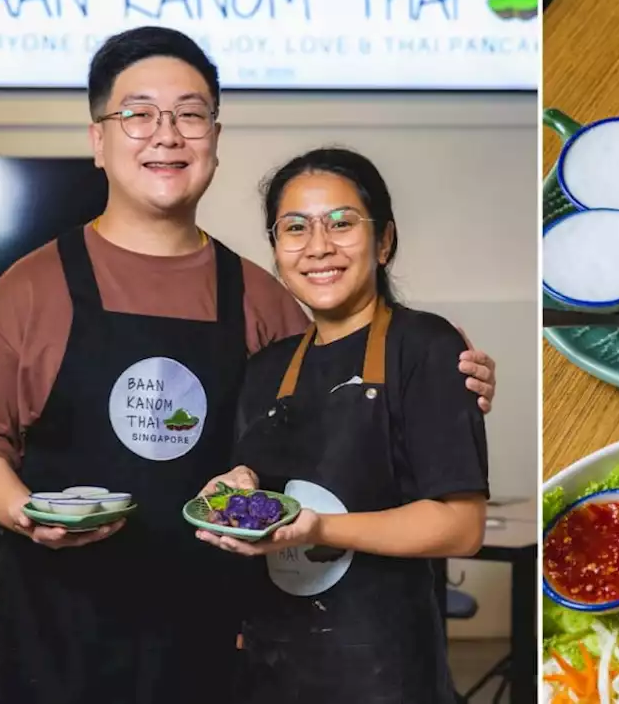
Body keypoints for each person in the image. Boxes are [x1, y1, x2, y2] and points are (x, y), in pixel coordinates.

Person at [0, 26, 497, 704]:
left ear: (215, 140)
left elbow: (336, 419)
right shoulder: (31, 286)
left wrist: (444, 371)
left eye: (191, 114)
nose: (166, 134)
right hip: (55, 642)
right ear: (98, 140)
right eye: (138, 113)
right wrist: (25, 511)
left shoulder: (261, 296)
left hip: (214, 647)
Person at [194, 148, 490, 703]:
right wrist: (233, 487)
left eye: (342, 223)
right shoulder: (265, 369)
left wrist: (321, 529)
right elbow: (256, 476)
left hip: (382, 672)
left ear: (383, 241)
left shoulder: (425, 347)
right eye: (295, 228)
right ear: (278, 249)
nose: (319, 246)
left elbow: (460, 527)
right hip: (270, 666)